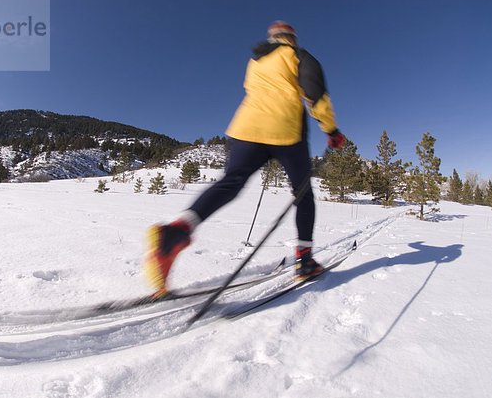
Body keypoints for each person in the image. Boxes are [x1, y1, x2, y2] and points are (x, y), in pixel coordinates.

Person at [144, 20, 347, 297]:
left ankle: (177, 231)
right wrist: (332, 130)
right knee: (303, 195)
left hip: (244, 129)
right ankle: (305, 260)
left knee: (232, 181)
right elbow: (315, 93)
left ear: (272, 37)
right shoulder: (298, 55)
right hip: (285, 130)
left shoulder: (256, 62)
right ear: (291, 39)